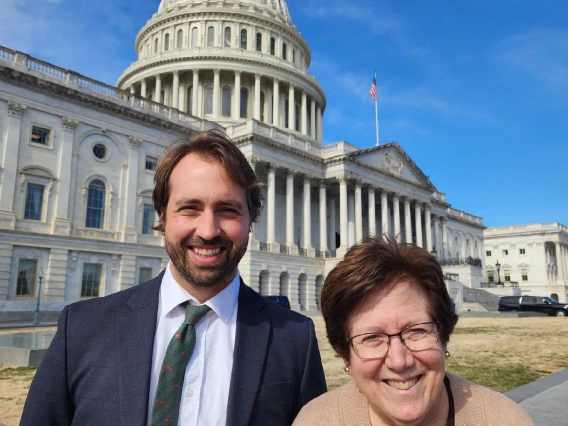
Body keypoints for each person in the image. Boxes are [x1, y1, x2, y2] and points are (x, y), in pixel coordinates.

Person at [21, 130, 326, 426]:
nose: (208, 231)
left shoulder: (294, 339)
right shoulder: (81, 329)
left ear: (251, 220)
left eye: (228, 210)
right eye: (189, 208)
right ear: (163, 216)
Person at [293, 237, 533, 426]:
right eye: (372, 337)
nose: (399, 361)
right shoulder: (315, 421)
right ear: (346, 356)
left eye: (416, 331)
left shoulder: (504, 419)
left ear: (443, 338)